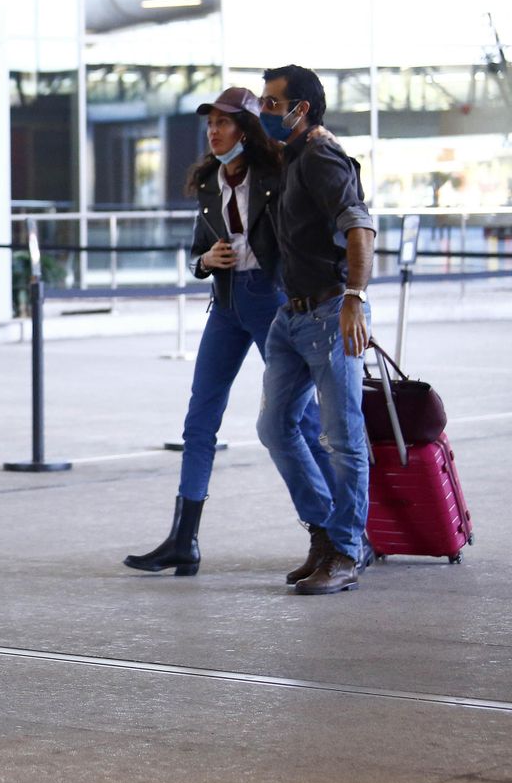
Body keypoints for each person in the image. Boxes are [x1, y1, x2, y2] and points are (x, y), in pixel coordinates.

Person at [124, 88, 336, 577]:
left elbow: (305, 235)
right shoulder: (209, 183)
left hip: (271, 302)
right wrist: (205, 260)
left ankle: (341, 531)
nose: (213, 132)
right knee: (200, 420)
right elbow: (198, 250)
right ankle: (184, 539)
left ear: (247, 130)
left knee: (300, 421)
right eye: (210, 124)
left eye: (223, 123)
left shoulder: (277, 176)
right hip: (226, 304)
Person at [254, 65, 375, 595]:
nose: (264, 111)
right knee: (275, 426)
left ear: (302, 110)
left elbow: (360, 226)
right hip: (292, 314)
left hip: (330, 314)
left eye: (273, 104)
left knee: (344, 439)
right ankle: (325, 532)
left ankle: (346, 552)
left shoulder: (322, 155)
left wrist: (354, 299)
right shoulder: (293, 156)